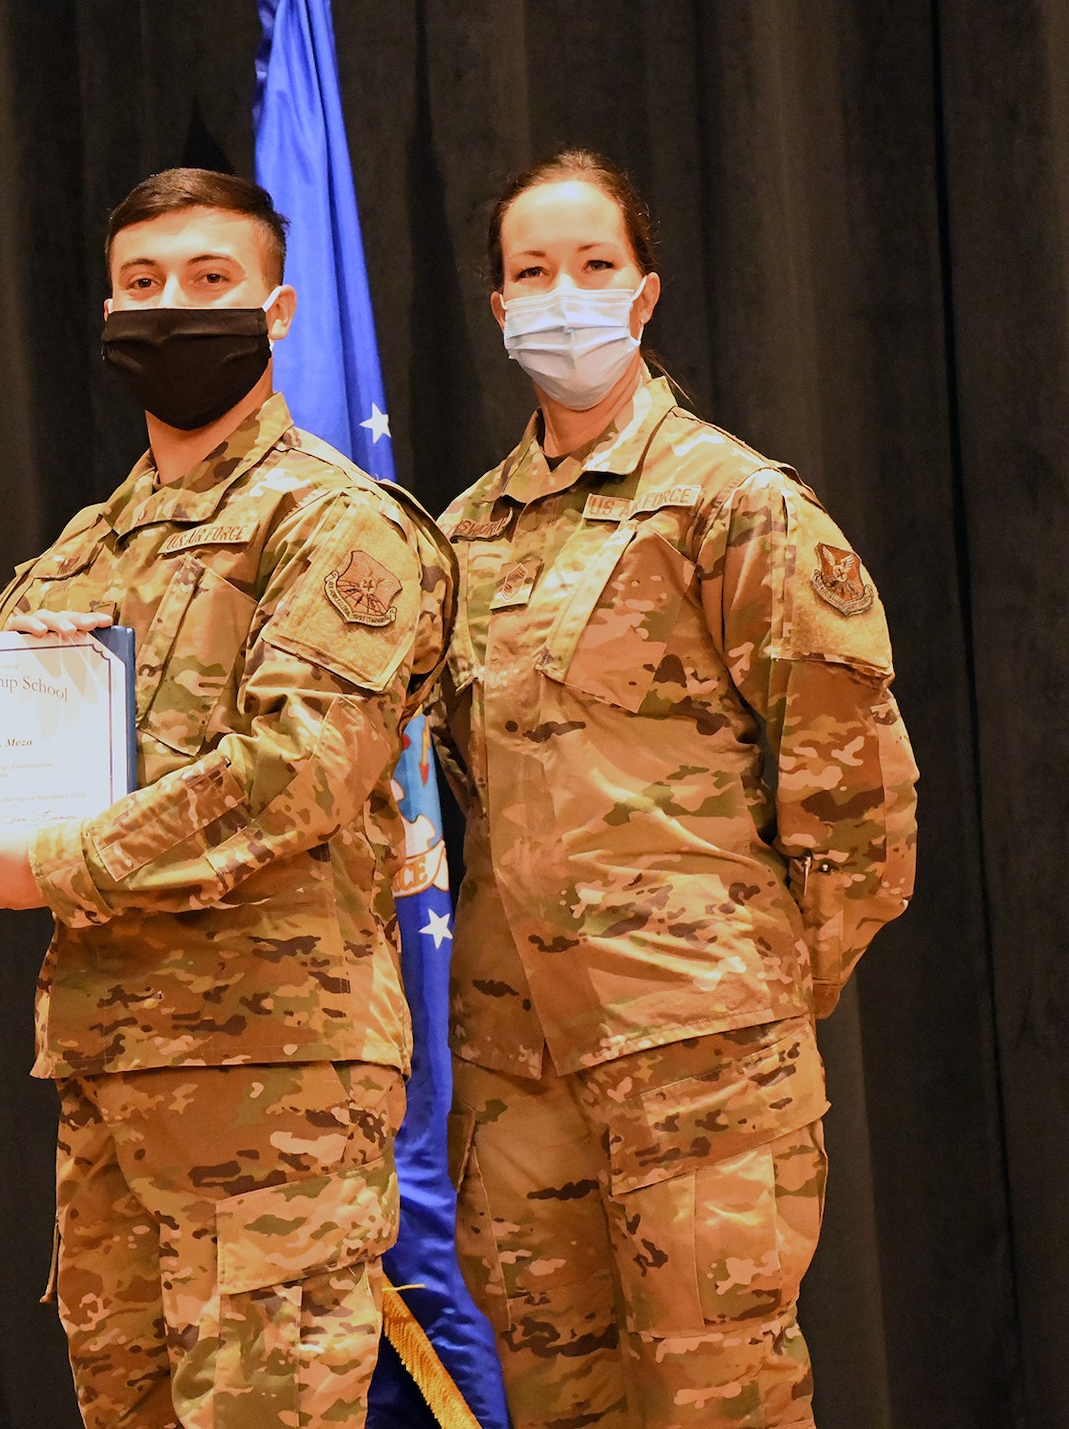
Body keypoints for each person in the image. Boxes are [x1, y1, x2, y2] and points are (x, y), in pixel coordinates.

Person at [0, 168, 455, 1428]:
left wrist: (63, 863)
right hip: (112, 1061)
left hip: (273, 1074)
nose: (171, 309)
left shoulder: (336, 525)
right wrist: (27, 656)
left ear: (277, 308)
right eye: (141, 285)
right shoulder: (92, 542)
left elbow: (298, 770)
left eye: (209, 282)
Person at [431, 148, 918, 1428]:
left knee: (719, 1398)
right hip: (516, 1061)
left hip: (697, 1059)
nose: (561, 294)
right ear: (495, 308)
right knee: (553, 1394)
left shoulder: (732, 502)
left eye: (591, 265)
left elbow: (854, 787)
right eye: (529, 271)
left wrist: (745, 994)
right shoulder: (460, 535)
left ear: (642, 294)